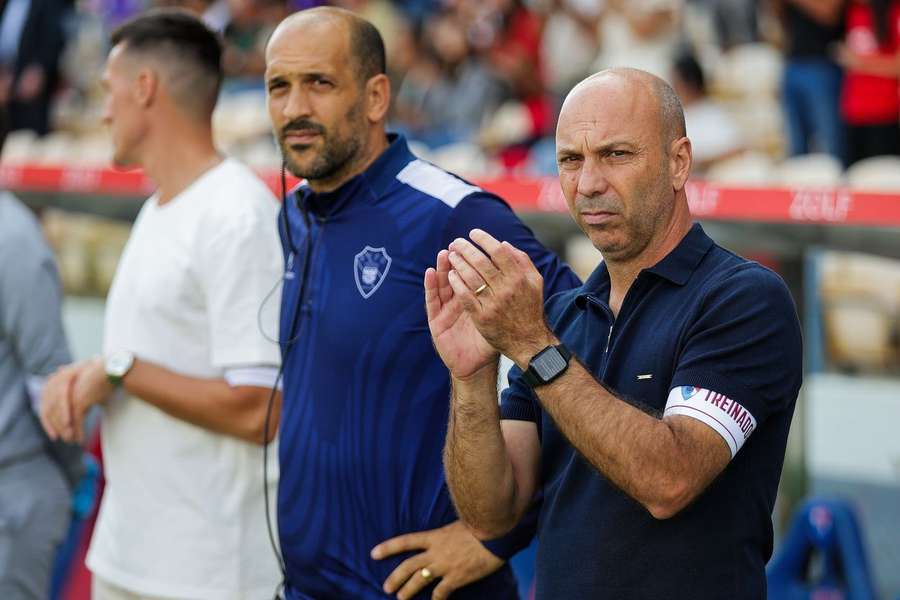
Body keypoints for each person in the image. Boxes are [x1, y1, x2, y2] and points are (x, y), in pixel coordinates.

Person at [430, 68, 803, 599]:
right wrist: (470, 377)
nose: (588, 183)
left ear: (679, 163)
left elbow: (670, 481)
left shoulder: (743, 298)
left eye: (616, 155)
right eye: (570, 160)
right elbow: (492, 515)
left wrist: (535, 347)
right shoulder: (560, 316)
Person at [265, 7, 579, 599]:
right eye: (279, 87)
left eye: (319, 84)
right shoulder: (295, 215)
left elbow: (585, 343)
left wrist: (498, 536)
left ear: (377, 95)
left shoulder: (451, 213)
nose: (294, 108)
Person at [39, 10, 284, 599]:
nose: (102, 111)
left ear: (144, 88)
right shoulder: (159, 209)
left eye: (108, 91)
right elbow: (149, 362)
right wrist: (95, 376)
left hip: (207, 572)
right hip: (132, 555)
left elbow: (260, 410)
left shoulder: (237, 214)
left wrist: (120, 371)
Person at [0, 101, 82, 599]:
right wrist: (75, 473)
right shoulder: (13, 237)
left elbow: (51, 387)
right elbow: (54, 388)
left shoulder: (12, 239)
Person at [775, 0, 845, 159]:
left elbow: (828, 12)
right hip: (793, 62)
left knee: (830, 140)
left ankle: (834, 182)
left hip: (822, 64)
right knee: (796, 143)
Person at [836, 0, 900, 165]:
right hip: (853, 110)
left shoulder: (894, 11)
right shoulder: (854, 11)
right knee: (855, 176)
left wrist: (859, 62)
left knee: (882, 175)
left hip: (884, 110)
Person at [0, 0, 68, 135]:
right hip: (5, 80)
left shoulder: (47, 4)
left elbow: (55, 37)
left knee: (27, 137)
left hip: (31, 87)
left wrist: (40, 69)